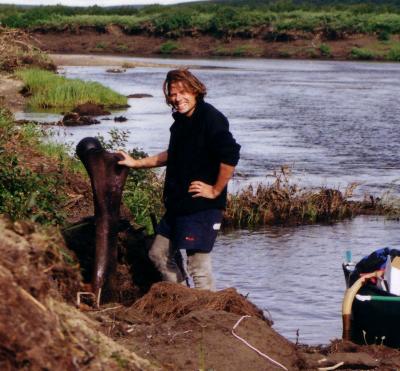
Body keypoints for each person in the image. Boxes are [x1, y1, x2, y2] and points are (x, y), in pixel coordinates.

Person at [117, 69, 240, 290]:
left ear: (195, 91)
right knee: (158, 254)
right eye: (173, 94)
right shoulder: (182, 121)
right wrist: (136, 163)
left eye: (183, 92)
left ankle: (207, 317)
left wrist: (215, 190)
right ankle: (183, 299)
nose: (177, 98)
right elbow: (174, 154)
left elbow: (230, 154)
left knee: (197, 265)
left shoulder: (211, 118)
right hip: (178, 204)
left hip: (202, 206)